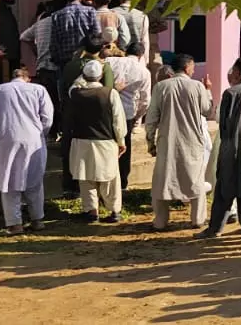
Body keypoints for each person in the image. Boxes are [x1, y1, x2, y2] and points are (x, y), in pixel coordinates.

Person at [145, 53, 213, 230]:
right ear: (186, 67)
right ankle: (197, 219)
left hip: (167, 141)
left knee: (163, 180)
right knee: (195, 179)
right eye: (192, 66)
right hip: (192, 141)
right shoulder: (197, 86)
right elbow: (207, 110)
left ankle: (160, 221)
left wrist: (150, 141)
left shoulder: (160, 87)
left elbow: (151, 118)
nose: (194, 69)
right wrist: (207, 90)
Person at [0, 66, 52, 233]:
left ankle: (15, 223)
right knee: (34, 180)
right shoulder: (38, 89)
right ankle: (37, 220)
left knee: (9, 181)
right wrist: (41, 132)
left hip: (8, 139)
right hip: (34, 139)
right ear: (28, 78)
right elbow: (48, 116)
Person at [198, 59, 241, 239]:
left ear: (237, 72)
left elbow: (223, 123)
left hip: (231, 144)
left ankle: (215, 228)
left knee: (224, 188)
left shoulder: (230, 93)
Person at [67, 60, 126, 223]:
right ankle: (114, 211)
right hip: (105, 141)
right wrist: (121, 141)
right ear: (100, 76)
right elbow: (118, 121)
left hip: (81, 141)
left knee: (86, 179)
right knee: (110, 179)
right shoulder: (110, 94)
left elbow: (75, 83)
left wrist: (85, 73)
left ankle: (91, 211)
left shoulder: (75, 93)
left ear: (84, 75)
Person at [106, 41, 151, 195]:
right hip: (127, 113)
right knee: (124, 148)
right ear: (140, 55)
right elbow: (145, 100)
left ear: (126, 51)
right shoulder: (143, 72)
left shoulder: (109, 61)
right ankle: (122, 184)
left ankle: (105, 182)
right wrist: (138, 117)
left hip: (107, 110)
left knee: (107, 144)